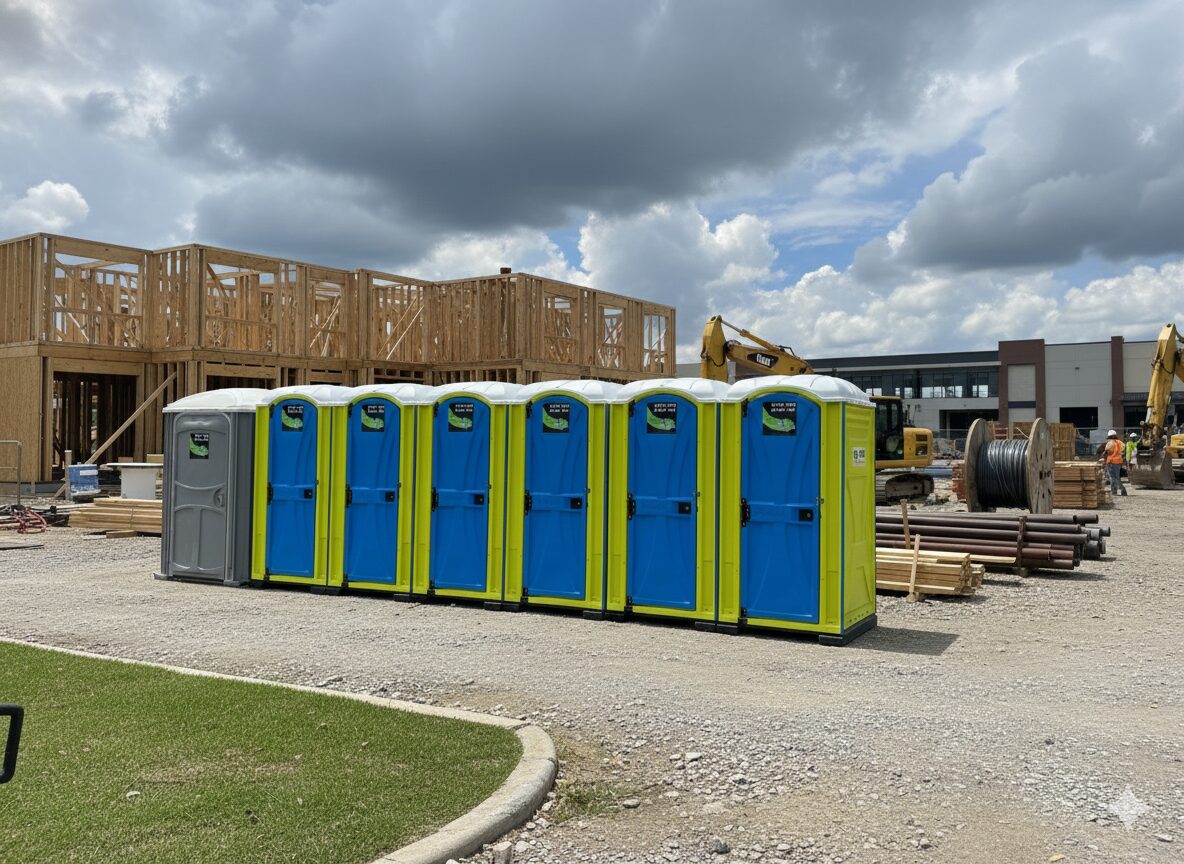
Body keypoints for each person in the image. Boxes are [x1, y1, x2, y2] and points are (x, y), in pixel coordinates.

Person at [1103, 429, 1127, 496]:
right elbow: (1123, 450)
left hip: (1112, 462)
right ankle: (1123, 490)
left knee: (1112, 477)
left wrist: (1105, 453)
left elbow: (1108, 451)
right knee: (1117, 477)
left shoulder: (1110, 443)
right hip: (1119, 461)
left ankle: (1114, 492)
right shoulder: (1120, 442)